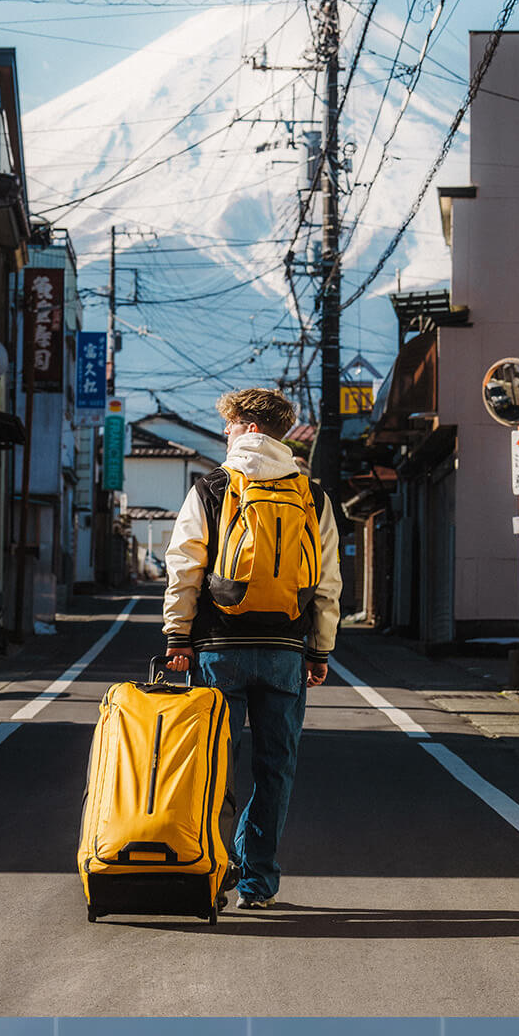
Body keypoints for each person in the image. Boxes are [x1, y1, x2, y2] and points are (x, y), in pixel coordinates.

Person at [162, 387, 342, 909]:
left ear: (247, 427)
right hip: (286, 651)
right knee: (275, 768)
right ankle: (257, 882)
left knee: (215, 767)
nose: (224, 432)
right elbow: (328, 581)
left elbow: (185, 566)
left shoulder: (211, 488)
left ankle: (213, 871)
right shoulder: (313, 495)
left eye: (229, 424)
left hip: (219, 648)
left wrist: (178, 635)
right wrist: (319, 649)